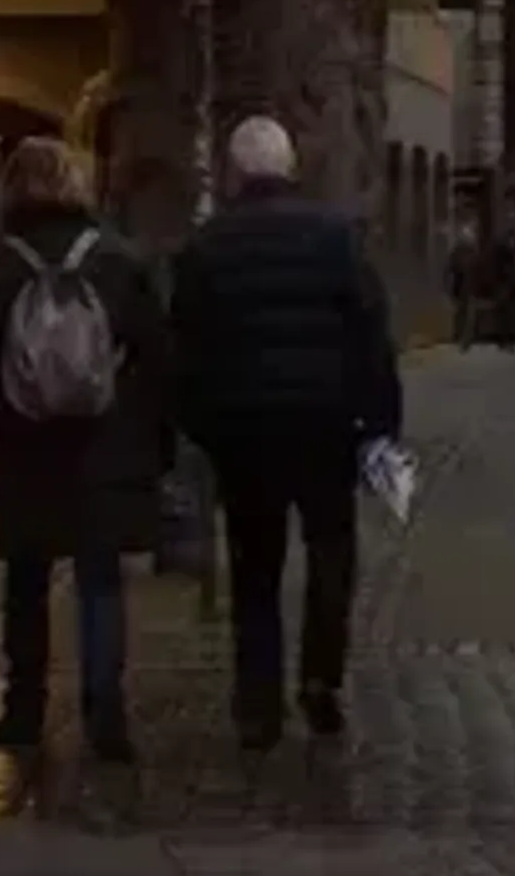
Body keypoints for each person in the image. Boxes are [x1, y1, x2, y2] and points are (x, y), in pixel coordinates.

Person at [170, 118, 399, 751]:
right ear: (289, 166)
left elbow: (184, 347)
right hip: (325, 426)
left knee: (254, 567)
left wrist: (203, 426)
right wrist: (379, 423)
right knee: (331, 554)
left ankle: (257, 704)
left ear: (235, 172)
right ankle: (321, 680)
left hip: (245, 433)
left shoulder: (207, 246)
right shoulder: (335, 238)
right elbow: (372, 336)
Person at [0, 139, 170, 764]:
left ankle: (24, 711)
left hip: (23, 447)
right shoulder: (117, 259)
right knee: (99, 583)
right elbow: (155, 357)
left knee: (27, 582)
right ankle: (105, 719)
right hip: (105, 449)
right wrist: (153, 443)